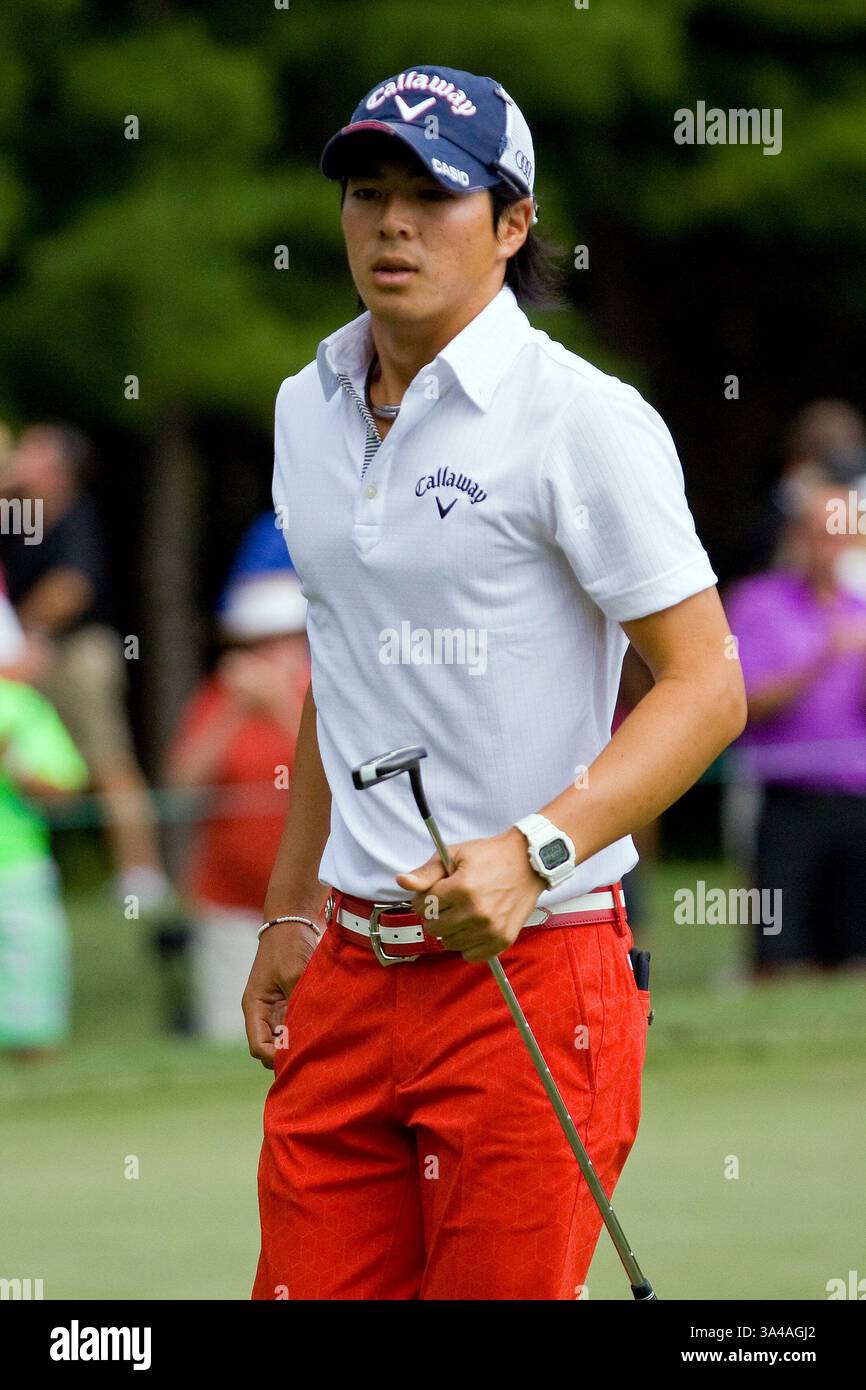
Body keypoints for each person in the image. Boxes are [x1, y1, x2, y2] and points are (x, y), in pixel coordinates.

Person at [244, 65, 746, 1301]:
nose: (392, 224)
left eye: (434, 195)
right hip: (352, 971)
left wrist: (534, 849)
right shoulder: (303, 406)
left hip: (536, 971)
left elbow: (704, 685)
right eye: (368, 192)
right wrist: (292, 902)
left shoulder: (581, 418)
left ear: (512, 223)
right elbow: (341, 659)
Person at [0, 423, 171, 911]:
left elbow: (71, 589)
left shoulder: (73, 516)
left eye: (32, 451)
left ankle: (142, 875)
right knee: (30, 763)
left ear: (57, 470)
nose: (20, 457)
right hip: (35, 653)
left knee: (107, 759)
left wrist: (23, 639)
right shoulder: (20, 515)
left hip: (78, 652)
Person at [725, 479, 866, 976]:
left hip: (857, 799)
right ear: (797, 536)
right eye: (818, 533)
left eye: (840, 534)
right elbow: (738, 703)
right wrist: (820, 659)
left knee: (853, 954)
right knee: (780, 952)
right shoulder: (757, 603)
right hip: (786, 799)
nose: (829, 547)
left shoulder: (861, 609)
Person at [166, 571, 309, 1040]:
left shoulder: (323, 692)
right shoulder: (218, 699)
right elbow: (181, 787)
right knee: (234, 1034)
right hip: (229, 900)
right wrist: (232, 712)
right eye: (254, 645)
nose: (266, 655)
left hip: (314, 900)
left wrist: (281, 707)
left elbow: (344, 777)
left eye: (278, 642)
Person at [0, 589, 89, 1060]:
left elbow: (66, 789)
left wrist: (16, 765)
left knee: (29, 979)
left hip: (17, 867)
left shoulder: (24, 706)